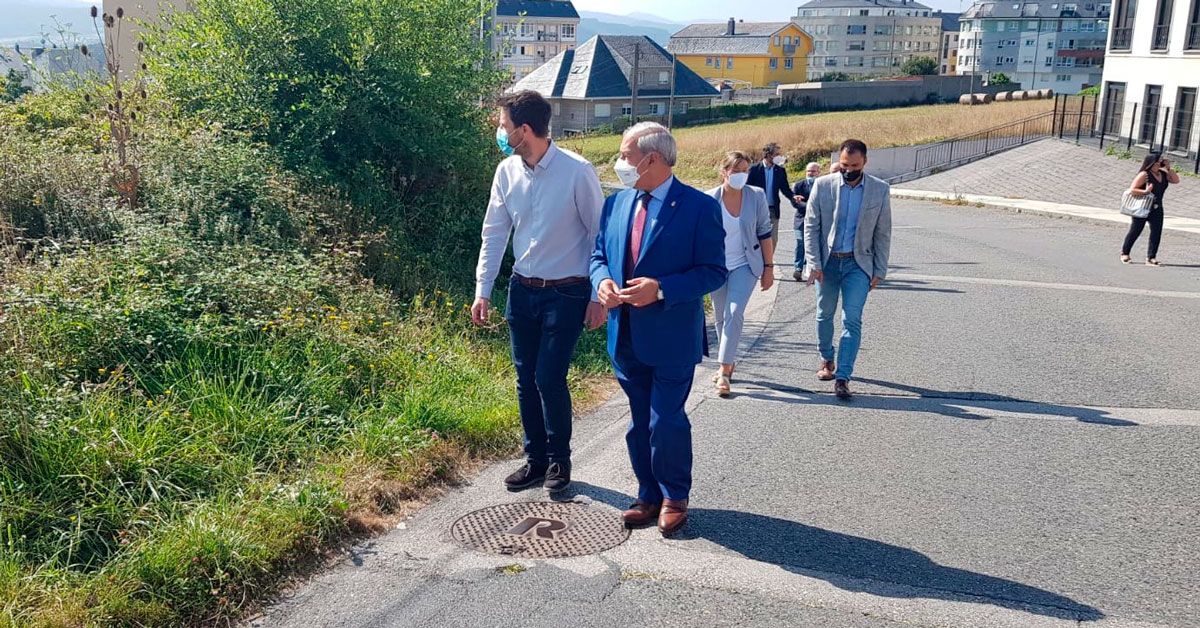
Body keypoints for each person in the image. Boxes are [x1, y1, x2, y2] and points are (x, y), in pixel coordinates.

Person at [590, 122, 727, 537]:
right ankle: (647, 493)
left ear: (651, 159)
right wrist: (602, 283)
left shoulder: (699, 207)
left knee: (665, 418)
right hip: (625, 333)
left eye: (625, 155)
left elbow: (714, 271)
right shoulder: (616, 204)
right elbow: (598, 254)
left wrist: (662, 289)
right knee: (637, 421)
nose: (620, 163)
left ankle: (674, 496)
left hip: (671, 337)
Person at [472, 90, 606, 494]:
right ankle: (535, 460)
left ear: (524, 130)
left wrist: (598, 296)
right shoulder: (506, 172)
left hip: (566, 292)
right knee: (525, 379)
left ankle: (559, 462)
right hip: (522, 290)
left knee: (549, 377)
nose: (499, 131)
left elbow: (600, 235)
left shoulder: (577, 172)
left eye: (502, 125)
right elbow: (495, 232)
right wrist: (483, 290)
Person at [804, 139, 892, 400]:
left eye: (854, 165)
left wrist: (880, 269)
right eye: (844, 165)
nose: (849, 170)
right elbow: (812, 226)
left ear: (865, 162)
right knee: (824, 314)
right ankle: (826, 358)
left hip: (858, 263)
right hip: (828, 262)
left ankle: (843, 376)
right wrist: (814, 263)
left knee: (851, 318)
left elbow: (883, 232)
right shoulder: (823, 186)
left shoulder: (879, 190)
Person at [706, 152, 776, 397]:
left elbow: (764, 232)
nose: (741, 175)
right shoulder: (709, 199)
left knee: (734, 312)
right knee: (720, 316)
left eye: (745, 170)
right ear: (724, 171)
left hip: (746, 264)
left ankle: (724, 370)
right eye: (736, 170)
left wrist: (769, 268)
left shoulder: (755, 196)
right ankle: (729, 359)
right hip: (716, 267)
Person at [1121, 152, 1179, 267]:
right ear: (1152, 163)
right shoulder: (1145, 174)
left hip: (1157, 208)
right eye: (1158, 163)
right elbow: (1132, 189)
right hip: (1143, 207)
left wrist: (1168, 168)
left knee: (1156, 233)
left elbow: (1176, 180)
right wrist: (1145, 191)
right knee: (1136, 230)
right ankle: (1125, 253)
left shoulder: (1163, 174)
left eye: (1161, 162)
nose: (1160, 164)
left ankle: (1151, 257)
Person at [747, 143, 797, 247]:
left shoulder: (780, 171)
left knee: (773, 239)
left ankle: (768, 261)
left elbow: (785, 189)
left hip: (773, 210)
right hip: (756, 209)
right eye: (777, 154)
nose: (779, 156)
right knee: (755, 238)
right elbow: (746, 189)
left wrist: (793, 196)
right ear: (768, 155)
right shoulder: (754, 169)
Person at [791, 162, 822, 281]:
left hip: (817, 220)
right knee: (800, 243)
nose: (810, 173)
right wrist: (811, 206)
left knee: (813, 245)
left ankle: (812, 269)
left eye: (813, 171)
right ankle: (798, 269)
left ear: (818, 172)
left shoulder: (822, 185)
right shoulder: (799, 185)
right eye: (808, 171)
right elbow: (795, 203)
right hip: (801, 219)